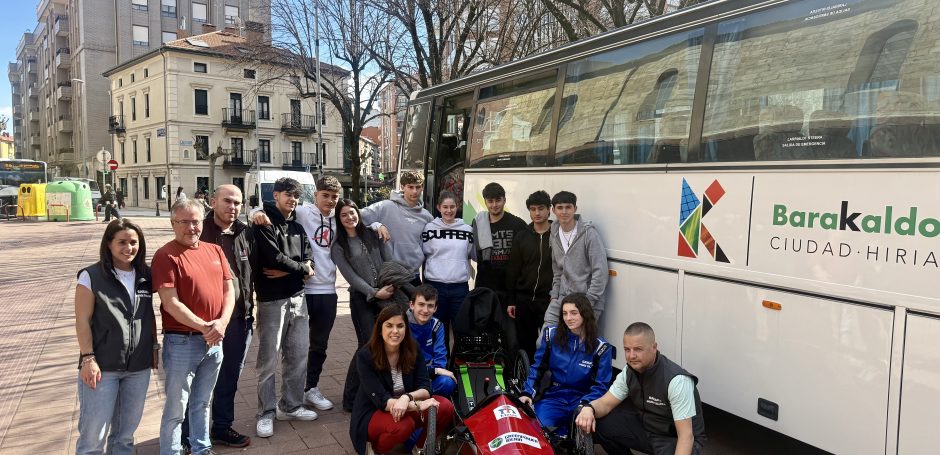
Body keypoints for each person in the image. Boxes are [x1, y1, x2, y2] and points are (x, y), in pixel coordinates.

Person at [152, 199, 235, 455]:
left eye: (196, 221)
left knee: (202, 402)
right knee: (177, 408)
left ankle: (201, 448)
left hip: (214, 340)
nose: (191, 228)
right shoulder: (165, 255)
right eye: (184, 222)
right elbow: (170, 302)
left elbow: (229, 289)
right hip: (182, 342)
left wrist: (221, 323)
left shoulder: (215, 250)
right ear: (173, 224)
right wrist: (205, 327)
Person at [255, 176, 343, 412]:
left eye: (334, 196)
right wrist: (255, 211)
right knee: (280, 352)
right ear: (315, 196)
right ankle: (271, 407)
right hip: (301, 291)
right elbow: (267, 212)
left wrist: (377, 225)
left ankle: (308, 389)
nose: (330, 200)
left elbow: (364, 220)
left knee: (314, 347)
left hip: (326, 289)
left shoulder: (339, 216)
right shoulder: (302, 212)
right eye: (325, 195)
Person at [180, 184, 255, 449]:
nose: (232, 207)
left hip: (239, 319)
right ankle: (188, 435)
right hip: (206, 322)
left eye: (237, 203)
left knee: (229, 377)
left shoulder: (246, 232)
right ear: (213, 201)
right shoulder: (200, 230)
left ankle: (221, 427)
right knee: (196, 381)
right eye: (227, 201)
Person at [74, 219, 156, 455]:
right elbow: (82, 320)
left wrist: (154, 348)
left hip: (138, 368)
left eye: (133, 242)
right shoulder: (91, 276)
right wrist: (88, 359)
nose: (128, 248)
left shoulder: (145, 275)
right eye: (121, 242)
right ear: (108, 244)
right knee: (93, 439)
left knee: (124, 437)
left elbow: (148, 314)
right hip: (102, 368)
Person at [574, 322, 706, 455]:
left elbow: (686, 437)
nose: (631, 356)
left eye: (638, 349)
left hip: (674, 439)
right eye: (627, 349)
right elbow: (605, 403)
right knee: (598, 422)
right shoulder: (629, 372)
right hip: (648, 429)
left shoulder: (677, 381)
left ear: (654, 347)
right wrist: (588, 409)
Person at [253, 177, 317, 438]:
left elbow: (308, 257)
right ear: (276, 195)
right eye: (287, 195)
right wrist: (302, 269)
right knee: (268, 360)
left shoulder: (298, 228)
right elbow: (273, 257)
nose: (292, 200)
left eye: (295, 196)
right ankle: (265, 412)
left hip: (298, 298)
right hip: (271, 300)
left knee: (299, 355)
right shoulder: (263, 223)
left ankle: (290, 405)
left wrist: (298, 269)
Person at [349, 305, 456, 455]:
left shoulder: (413, 348)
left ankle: (420, 447)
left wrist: (407, 397)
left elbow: (425, 386)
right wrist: (418, 405)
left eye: (400, 326)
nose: (395, 331)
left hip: (406, 403)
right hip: (375, 411)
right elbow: (382, 401)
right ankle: (380, 450)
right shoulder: (365, 356)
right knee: (404, 425)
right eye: (389, 326)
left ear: (406, 328)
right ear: (380, 328)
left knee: (444, 407)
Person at [331, 198, 395, 411]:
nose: (350, 217)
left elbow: (388, 259)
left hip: (388, 293)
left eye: (352, 212)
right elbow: (351, 277)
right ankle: (350, 398)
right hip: (362, 299)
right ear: (339, 219)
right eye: (344, 215)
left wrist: (390, 283)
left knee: (386, 343)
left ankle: (376, 391)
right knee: (367, 345)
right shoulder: (339, 246)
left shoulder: (372, 233)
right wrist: (374, 292)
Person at [519, 293, 612, 436]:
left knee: (587, 430)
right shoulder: (551, 335)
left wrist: (587, 404)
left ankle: (564, 433)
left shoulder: (601, 347)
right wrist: (527, 392)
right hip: (555, 396)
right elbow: (537, 367)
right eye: (565, 313)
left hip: (582, 399)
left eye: (574, 313)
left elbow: (601, 385)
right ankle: (561, 433)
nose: (568, 318)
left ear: (585, 314)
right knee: (535, 427)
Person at [543, 191, 609, 329]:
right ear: (553, 210)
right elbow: (557, 270)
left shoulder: (589, 234)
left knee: (577, 346)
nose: (564, 211)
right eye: (560, 208)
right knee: (545, 339)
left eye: (568, 207)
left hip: (587, 301)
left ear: (575, 209)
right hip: (562, 299)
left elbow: (601, 271)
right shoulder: (554, 233)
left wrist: (589, 301)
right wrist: (554, 295)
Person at [360, 170, 432, 285]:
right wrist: (376, 225)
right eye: (410, 187)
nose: (414, 191)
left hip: (414, 275)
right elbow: (354, 217)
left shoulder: (427, 217)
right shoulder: (385, 206)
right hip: (389, 275)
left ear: (422, 187)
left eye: (418, 187)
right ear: (402, 187)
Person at [505, 190, 553, 359]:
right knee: (525, 343)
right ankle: (526, 379)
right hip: (524, 300)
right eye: (533, 209)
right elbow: (513, 270)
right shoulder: (522, 236)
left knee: (549, 343)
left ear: (549, 210)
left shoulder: (558, 235)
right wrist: (511, 300)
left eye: (541, 208)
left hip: (548, 300)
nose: (537, 213)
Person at [421, 191, 474, 333]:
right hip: (435, 286)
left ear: (457, 207)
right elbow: (425, 253)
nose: (449, 211)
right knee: (437, 330)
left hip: (459, 287)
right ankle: (441, 356)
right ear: (439, 207)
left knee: (461, 329)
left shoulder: (468, 230)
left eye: (452, 207)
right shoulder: (429, 228)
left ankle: (458, 356)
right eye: (445, 207)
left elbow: (470, 253)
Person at [471, 182, 526, 305]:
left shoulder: (517, 224)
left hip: (509, 289)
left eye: (498, 200)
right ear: (485, 202)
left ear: (504, 200)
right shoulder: (478, 224)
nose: (494, 205)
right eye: (490, 201)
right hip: (484, 286)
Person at [407, 284, 457, 398]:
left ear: (435, 308)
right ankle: (418, 396)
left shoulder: (437, 325)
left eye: (430, 306)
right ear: (412, 305)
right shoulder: (401, 324)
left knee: (448, 383)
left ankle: (416, 396)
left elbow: (440, 358)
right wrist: (435, 371)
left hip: (428, 378)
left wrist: (434, 371)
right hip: (406, 376)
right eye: (421, 304)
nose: (425, 310)